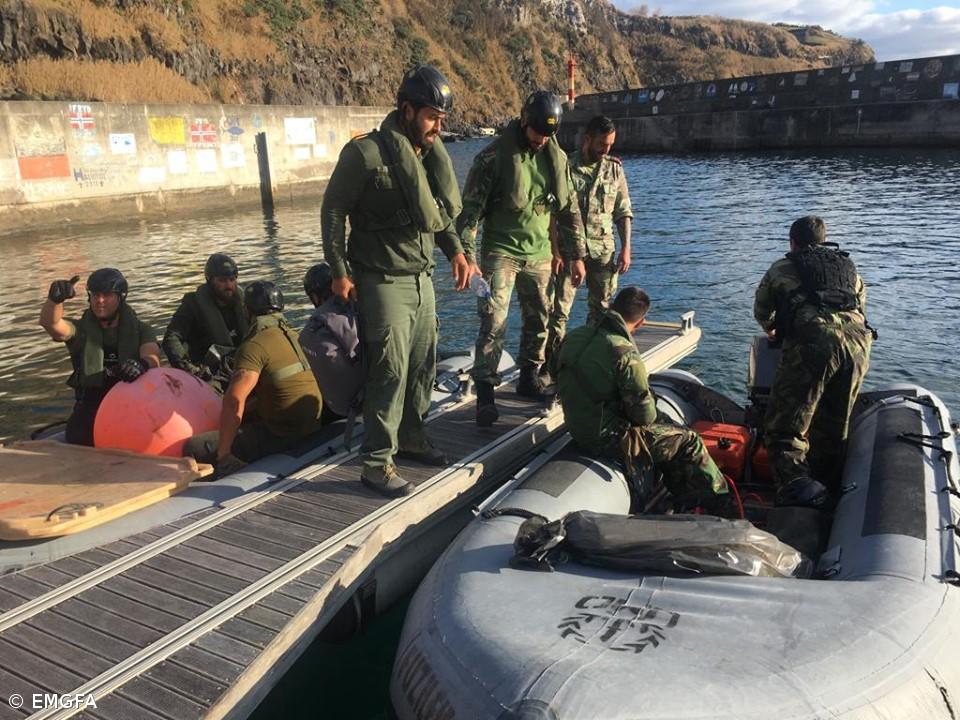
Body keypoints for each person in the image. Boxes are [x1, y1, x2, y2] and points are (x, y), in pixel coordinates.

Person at [321, 65, 475, 497]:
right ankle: (376, 462)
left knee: (423, 364)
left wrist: (457, 252)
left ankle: (411, 436)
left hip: (422, 278)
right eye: (431, 116)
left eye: (443, 119)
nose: (438, 126)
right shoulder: (366, 155)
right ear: (406, 111)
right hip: (382, 278)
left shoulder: (427, 157)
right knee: (389, 370)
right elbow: (333, 210)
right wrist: (338, 270)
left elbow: (439, 214)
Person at [457, 90, 587, 427]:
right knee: (494, 320)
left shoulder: (555, 159)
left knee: (540, 318)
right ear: (524, 121)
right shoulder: (492, 158)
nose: (542, 140)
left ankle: (530, 376)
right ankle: (485, 393)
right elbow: (470, 213)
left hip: (540, 253)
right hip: (501, 251)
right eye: (537, 133)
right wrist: (467, 257)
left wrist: (576, 256)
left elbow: (570, 211)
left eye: (549, 135)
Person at [555, 287, 729, 510]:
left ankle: (680, 498)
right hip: (607, 438)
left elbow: (555, 373)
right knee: (689, 440)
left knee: (666, 430)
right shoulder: (624, 352)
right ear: (641, 322)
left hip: (577, 426)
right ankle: (720, 504)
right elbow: (644, 415)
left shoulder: (574, 336)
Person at [754, 216, 873, 507]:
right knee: (834, 427)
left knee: (784, 429)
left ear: (792, 242)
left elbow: (763, 311)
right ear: (823, 240)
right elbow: (859, 305)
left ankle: (795, 497)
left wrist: (775, 332)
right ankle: (829, 495)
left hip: (814, 344)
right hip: (859, 343)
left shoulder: (782, 267)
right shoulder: (847, 268)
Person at [182, 281, 324, 476]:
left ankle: (229, 471)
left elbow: (234, 401)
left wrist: (223, 454)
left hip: (284, 433)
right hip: (312, 424)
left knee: (195, 447)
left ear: (247, 310)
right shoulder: (295, 335)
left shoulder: (254, 346)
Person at [544, 115, 633, 378]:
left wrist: (627, 247)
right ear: (587, 140)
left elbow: (623, 211)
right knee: (559, 311)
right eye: (601, 145)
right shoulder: (565, 168)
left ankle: (589, 365)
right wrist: (555, 251)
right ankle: (553, 368)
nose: (606, 151)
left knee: (601, 312)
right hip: (569, 252)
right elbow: (551, 214)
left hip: (603, 252)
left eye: (610, 146)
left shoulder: (614, 169)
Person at [39, 268, 161, 446]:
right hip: (92, 405)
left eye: (107, 295)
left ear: (120, 297)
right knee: (78, 435)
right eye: (95, 295)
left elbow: (152, 357)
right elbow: (51, 324)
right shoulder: (80, 331)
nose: (99, 301)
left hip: (132, 404)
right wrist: (54, 300)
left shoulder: (142, 329)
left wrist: (140, 364)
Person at [162, 252, 249, 393]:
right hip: (209, 372)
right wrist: (189, 368)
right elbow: (172, 337)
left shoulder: (244, 303)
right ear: (210, 280)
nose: (229, 285)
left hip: (242, 366)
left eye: (232, 280)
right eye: (222, 280)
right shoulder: (193, 304)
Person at [299, 262, 363, 425]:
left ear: (314, 297)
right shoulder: (358, 309)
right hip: (372, 398)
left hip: (343, 407)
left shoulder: (312, 328)